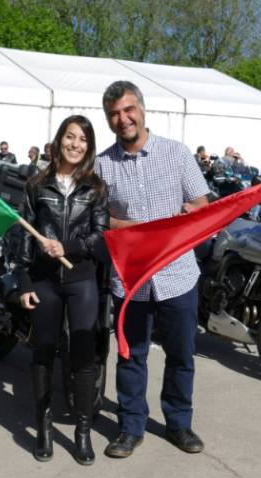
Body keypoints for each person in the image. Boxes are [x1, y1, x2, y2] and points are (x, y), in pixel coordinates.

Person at [96, 80, 210, 458]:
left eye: (128, 110)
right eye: (114, 114)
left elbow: (202, 204)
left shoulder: (176, 154)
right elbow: (98, 219)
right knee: (131, 355)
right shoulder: (101, 165)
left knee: (181, 355)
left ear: (142, 109)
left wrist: (193, 212)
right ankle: (130, 427)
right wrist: (135, 229)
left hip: (178, 276)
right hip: (131, 279)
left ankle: (179, 424)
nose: (123, 119)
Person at [17, 115, 109, 465]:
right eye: (70, 137)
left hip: (82, 280)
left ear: (89, 146)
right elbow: (23, 234)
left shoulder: (96, 188)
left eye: (83, 139)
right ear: (59, 140)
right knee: (43, 352)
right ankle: (43, 428)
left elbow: (100, 238)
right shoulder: (36, 185)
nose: (76, 144)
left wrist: (66, 247)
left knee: (84, 355)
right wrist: (24, 282)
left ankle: (82, 432)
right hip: (44, 281)